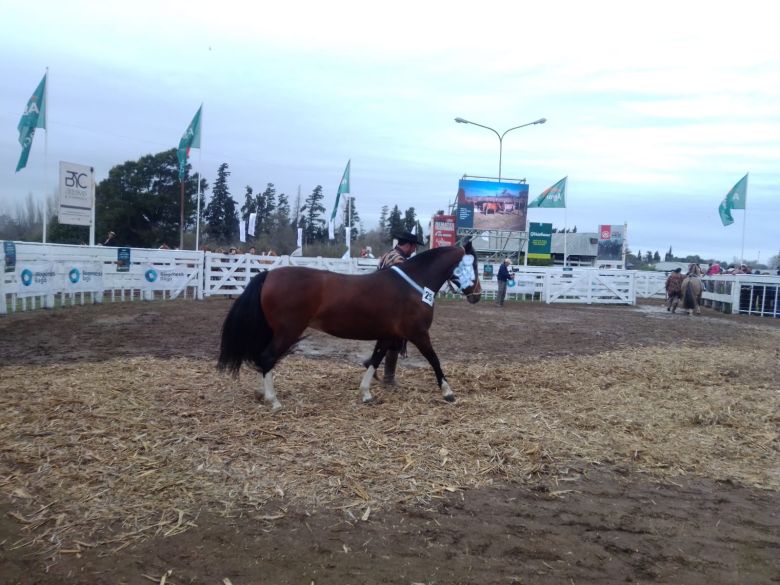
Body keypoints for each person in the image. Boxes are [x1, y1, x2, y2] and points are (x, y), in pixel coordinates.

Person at [375, 231, 425, 384]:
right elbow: (404, 286)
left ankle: (375, 366)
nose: (414, 250)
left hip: (380, 302)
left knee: (387, 339)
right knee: (394, 340)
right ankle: (388, 376)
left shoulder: (387, 255)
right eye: (414, 247)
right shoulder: (399, 261)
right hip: (391, 306)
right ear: (408, 245)